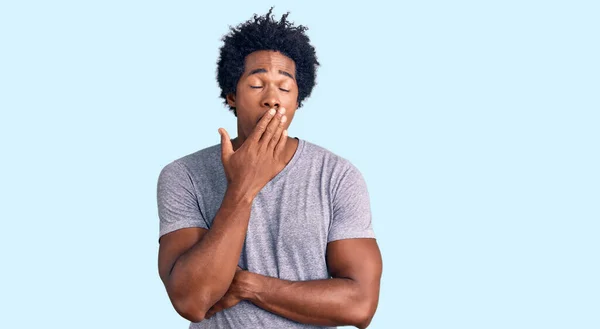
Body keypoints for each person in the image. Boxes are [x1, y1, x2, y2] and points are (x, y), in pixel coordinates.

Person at [157, 8, 382, 329]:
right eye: (257, 84)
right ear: (232, 95)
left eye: (285, 88)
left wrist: (248, 285)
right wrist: (242, 188)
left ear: (297, 99)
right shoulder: (183, 175)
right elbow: (192, 300)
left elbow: (360, 306)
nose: (272, 99)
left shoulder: (338, 176)